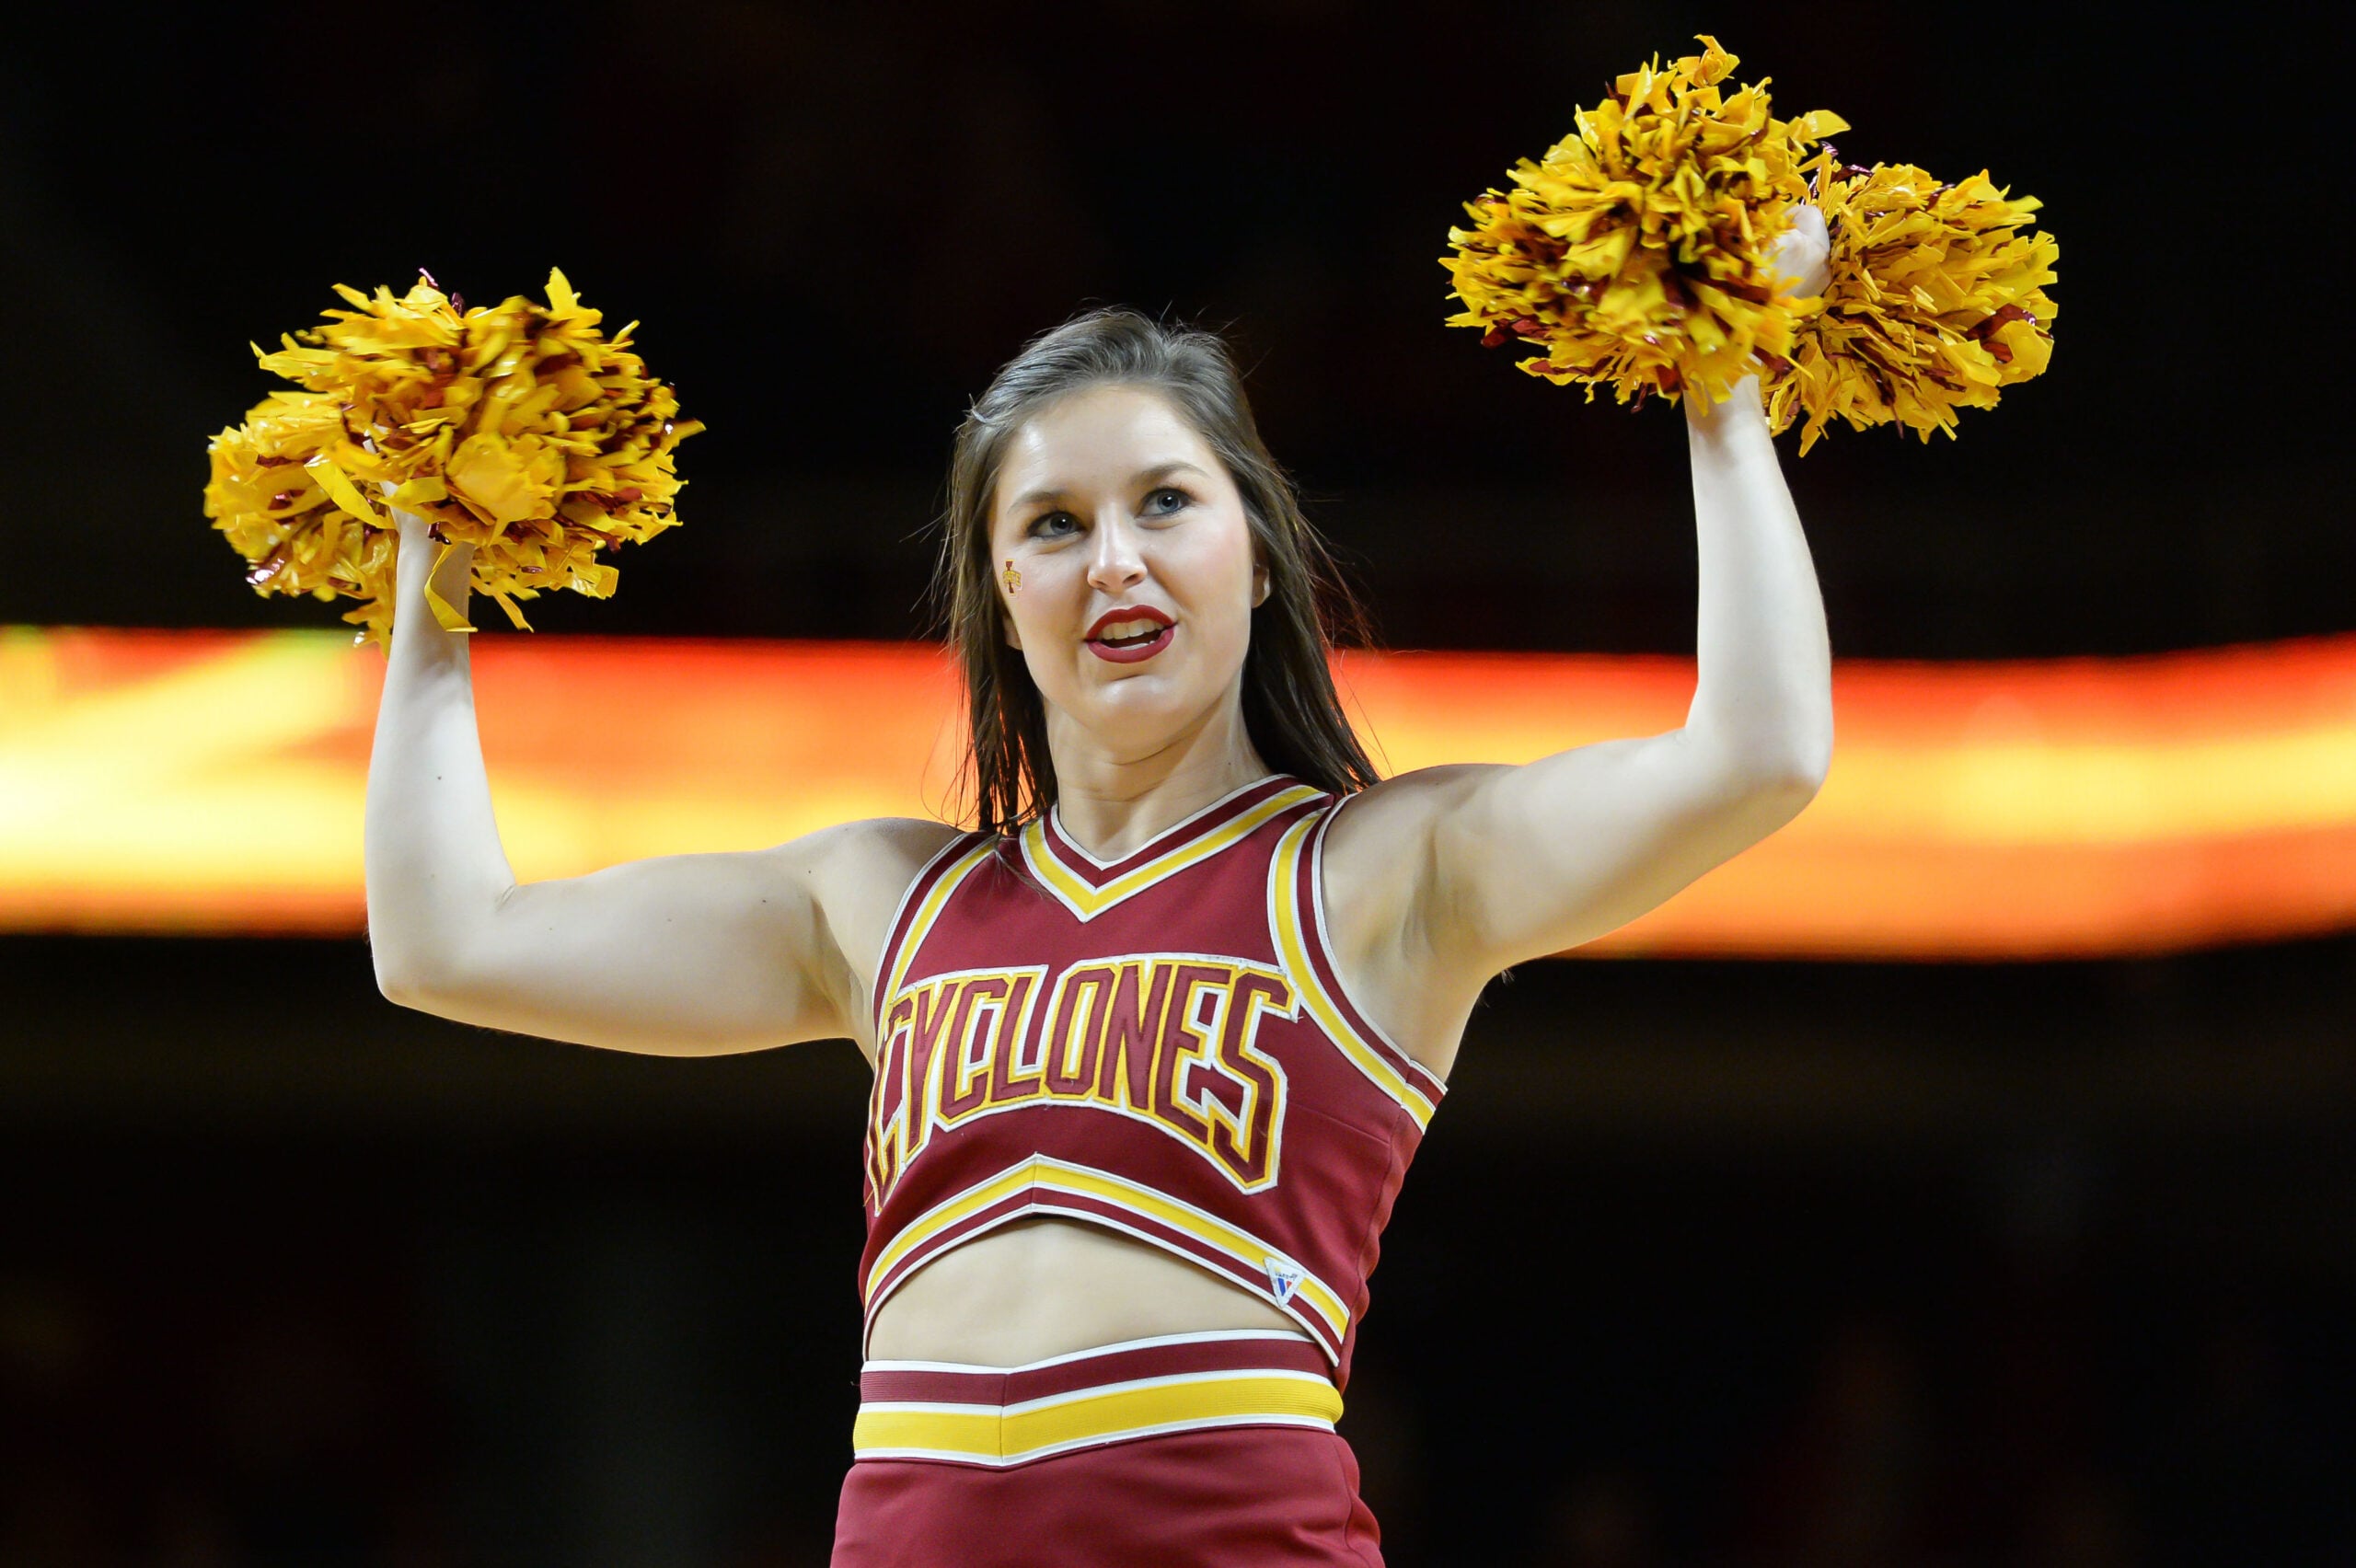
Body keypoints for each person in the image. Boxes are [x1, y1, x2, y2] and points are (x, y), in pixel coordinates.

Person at [364, 212, 1835, 1566]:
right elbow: (446, 945)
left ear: (1259, 561)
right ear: (1003, 598)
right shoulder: (877, 904)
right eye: (1053, 525)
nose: (1113, 560)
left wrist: (1726, 386)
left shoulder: (1387, 870)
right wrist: (435, 565)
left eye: (1165, 504)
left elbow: (1759, 755)